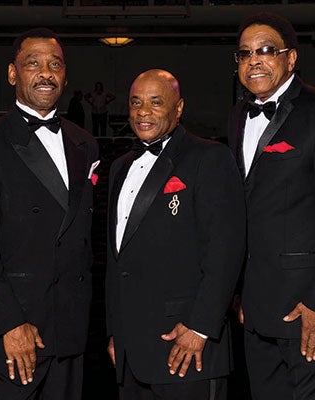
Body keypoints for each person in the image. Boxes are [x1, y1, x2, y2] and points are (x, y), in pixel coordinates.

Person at [228, 12, 315, 400]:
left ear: (291, 59)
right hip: (257, 310)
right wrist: (239, 292)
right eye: (244, 53)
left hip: (311, 309)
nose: (254, 60)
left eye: (267, 50)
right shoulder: (238, 115)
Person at [0, 28, 99, 400]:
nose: (45, 73)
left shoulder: (85, 142)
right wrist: (8, 323)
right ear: (12, 74)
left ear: (65, 76)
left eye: (54, 65)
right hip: (19, 327)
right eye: (33, 64)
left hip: (71, 327)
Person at [106, 69, 246, 400]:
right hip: (131, 352)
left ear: (179, 108)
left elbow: (225, 252)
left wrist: (200, 328)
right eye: (136, 102)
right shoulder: (119, 167)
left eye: (156, 103)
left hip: (186, 347)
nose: (143, 112)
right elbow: (118, 261)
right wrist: (115, 333)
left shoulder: (210, 157)